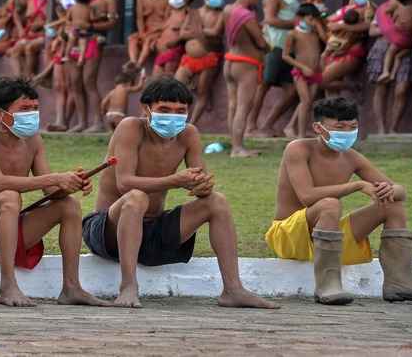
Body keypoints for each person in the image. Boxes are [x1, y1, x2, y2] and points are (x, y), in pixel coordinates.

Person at [83, 78, 278, 309]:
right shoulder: (130, 128)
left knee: (217, 202)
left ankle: (233, 289)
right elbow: (124, 183)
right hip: (108, 231)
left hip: (152, 234)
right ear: (146, 109)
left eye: (180, 111)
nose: (172, 117)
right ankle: (128, 286)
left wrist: (202, 185)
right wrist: (175, 181)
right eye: (164, 110)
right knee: (137, 197)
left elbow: (200, 180)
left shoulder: (188, 134)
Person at [0, 77, 109, 307]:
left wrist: (71, 183)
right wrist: (56, 178)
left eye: (35, 109)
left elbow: (50, 191)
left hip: (5, 226)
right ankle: (7, 286)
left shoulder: (33, 140)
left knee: (69, 205)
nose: (32, 114)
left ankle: (72, 288)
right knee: (9, 196)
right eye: (24, 109)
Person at [265, 96, 412, 305]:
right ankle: (328, 285)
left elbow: (401, 191)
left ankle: (401, 282)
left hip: (329, 239)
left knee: (391, 204)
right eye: (340, 127)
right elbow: (307, 196)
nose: (347, 133)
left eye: (352, 127)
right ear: (318, 128)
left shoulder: (351, 157)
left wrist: (388, 189)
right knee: (330, 204)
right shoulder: (298, 149)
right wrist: (356, 185)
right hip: (289, 236)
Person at [247, 0, 303, 137]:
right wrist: (297, 23)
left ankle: (267, 125)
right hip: (274, 45)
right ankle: (250, 126)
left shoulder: (293, 0)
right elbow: (270, 20)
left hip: (289, 49)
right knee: (264, 85)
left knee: (292, 90)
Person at [366, 0, 412, 134]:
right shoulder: (384, 7)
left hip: (407, 48)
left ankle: (394, 128)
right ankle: (381, 130)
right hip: (383, 47)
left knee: (402, 88)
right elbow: (372, 30)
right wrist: (392, 29)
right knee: (381, 87)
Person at [68, 0, 118, 132]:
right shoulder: (80, 0)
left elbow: (112, 22)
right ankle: (82, 122)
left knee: (88, 81)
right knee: (75, 82)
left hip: (94, 41)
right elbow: (67, 20)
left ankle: (97, 122)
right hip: (75, 42)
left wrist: (91, 25)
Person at [223, 0, 268, 158]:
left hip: (231, 60)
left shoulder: (227, 9)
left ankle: (235, 144)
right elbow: (261, 42)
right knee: (243, 107)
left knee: (233, 106)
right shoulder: (246, 15)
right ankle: (237, 148)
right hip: (246, 64)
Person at [174, 0, 225, 124]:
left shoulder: (221, 14)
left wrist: (195, 32)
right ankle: (177, 120)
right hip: (189, 58)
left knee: (203, 92)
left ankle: (192, 124)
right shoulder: (194, 13)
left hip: (210, 57)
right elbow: (183, 33)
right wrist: (203, 32)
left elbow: (216, 32)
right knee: (177, 86)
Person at [321, 0, 375, 96]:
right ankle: (332, 113)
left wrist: (341, 26)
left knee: (322, 81)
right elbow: (328, 20)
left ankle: (353, 86)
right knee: (331, 92)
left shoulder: (370, 8)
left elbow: (368, 26)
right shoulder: (346, 8)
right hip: (333, 49)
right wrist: (322, 16)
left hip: (350, 52)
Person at [282, 3, 325, 138]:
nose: (313, 22)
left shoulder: (315, 33)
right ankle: (300, 135)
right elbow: (285, 55)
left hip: (315, 72)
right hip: (300, 72)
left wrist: (319, 26)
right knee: (305, 101)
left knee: (308, 103)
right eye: (310, 19)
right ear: (301, 17)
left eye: (315, 19)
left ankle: (295, 128)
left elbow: (326, 40)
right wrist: (302, 67)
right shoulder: (293, 34)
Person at [153, 0, 200, 78]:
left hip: (174, 50)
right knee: (155, 80)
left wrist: (177, 40)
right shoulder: (169, 13)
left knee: (168, 79)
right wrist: (154, 40)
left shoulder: (190, 13)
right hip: (161, 52)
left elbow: (195, 32)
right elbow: (162, 29)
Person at [130, 0, 170, 68]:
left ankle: (139, 65)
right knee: (132, 39)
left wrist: (153, 33)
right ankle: (132, 63)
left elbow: (168, 20)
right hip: (146, 29)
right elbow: (139, 18)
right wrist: (141, 32)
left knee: (148, 41)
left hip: (161, 30)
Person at [10, 0, 48, 78]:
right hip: (29, 34)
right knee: (15, 50)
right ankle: (18, 79)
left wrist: (43, 24)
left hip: (44, 35)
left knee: (29, 47)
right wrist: (20, 28)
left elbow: (63, 19)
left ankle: (29, 77)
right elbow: (15, 13)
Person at [376, 0, 412, 83]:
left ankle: (386, 71)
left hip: (400, 39)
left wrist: (393, 17)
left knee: (390, 52)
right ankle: (393, 74)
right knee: (399, 56)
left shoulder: (398, 7)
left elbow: (386, 11)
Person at [32, 24, 69, 131]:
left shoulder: (65, 28)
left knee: (63, 89)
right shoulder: (54, 41)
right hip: (59, 60)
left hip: (67, 59)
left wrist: (42, 75)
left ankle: (62, 122)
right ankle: (60, 121)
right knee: (59, 89)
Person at [66, 0, 95, 67]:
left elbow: (68, 19)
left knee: (70, 43)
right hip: (84, 30)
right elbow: (92, 18)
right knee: (83, 44)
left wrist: (70, 24)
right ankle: (81, 58)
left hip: (75, 28)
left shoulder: (72, 8)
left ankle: (66, 56)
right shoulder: (90, 8)